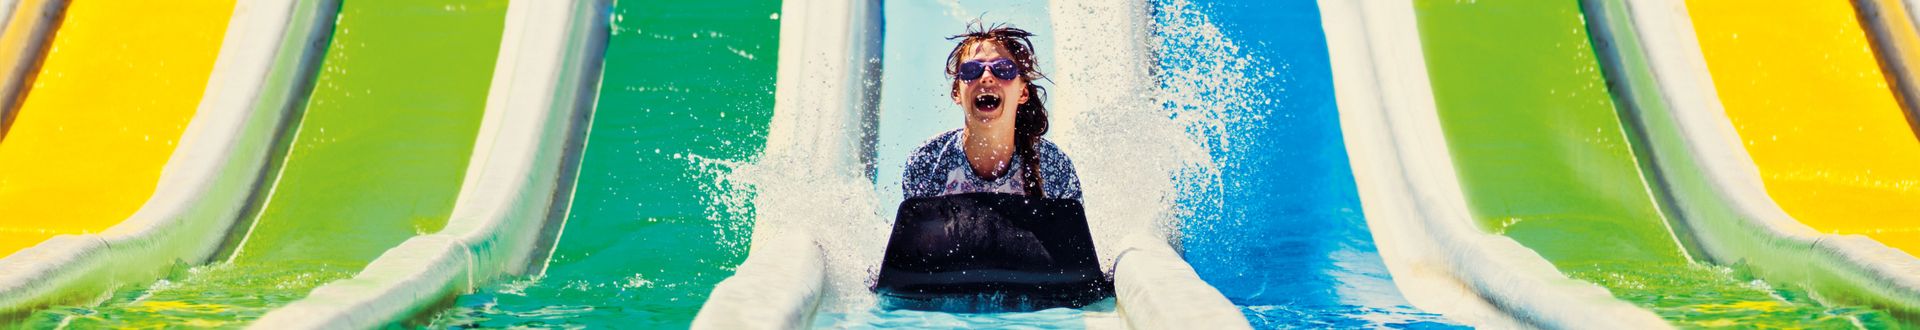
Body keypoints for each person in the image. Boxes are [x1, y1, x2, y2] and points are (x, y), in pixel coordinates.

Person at [901, 22, 1081, 201]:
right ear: (956, 92)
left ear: (1023, 93)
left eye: (1003, 69)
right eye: (971, 70)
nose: (987, 77)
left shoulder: (1053, 165)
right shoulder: (928, 162)